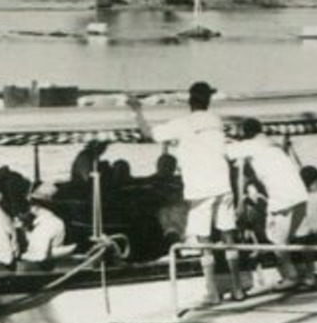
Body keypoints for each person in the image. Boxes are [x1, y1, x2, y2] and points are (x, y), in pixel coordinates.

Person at [129, 81, 242, 303]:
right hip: (223, 184)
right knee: (229, 236)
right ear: (208, 101)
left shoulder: (183, 124)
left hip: (201, 188)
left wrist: (137, 110)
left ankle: (212, 292)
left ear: (190, 101)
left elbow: (148, 133)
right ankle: (237, 288)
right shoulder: (216, 121)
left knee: (204, 239)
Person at [226, 118, 307, 286]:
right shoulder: (271, 143)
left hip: (282, 198)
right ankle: (303, 274)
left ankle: (291, 277)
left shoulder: (250, 145)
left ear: (247, 134)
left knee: (276, 240)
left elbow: (227, 152)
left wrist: (225, 137)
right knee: (287, 239)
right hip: (300, 195)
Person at [19, 185, 79, 269]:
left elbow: (38, 255)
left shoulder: (48, 223)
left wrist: (21, 256)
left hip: (39, 267)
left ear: (37, 206)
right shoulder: (47, 221)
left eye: (31, 203)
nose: (29, 207)